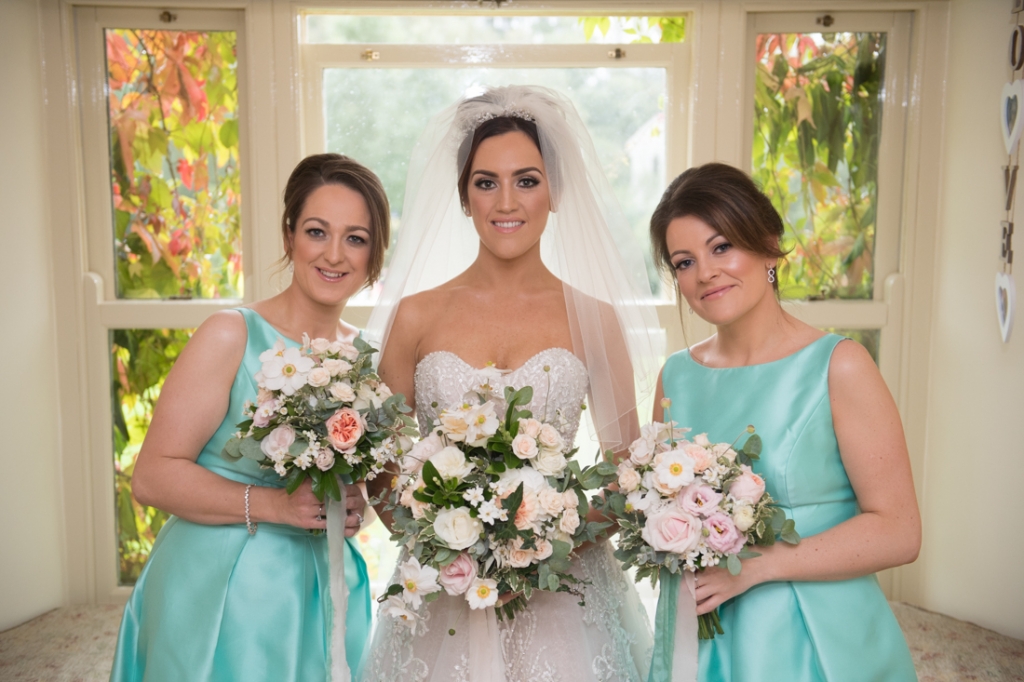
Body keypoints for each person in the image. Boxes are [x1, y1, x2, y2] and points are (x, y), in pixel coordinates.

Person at [360, 85, 660, 682]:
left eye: (526, 180)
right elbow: (381, 470)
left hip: (563, 596)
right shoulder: (415, 315)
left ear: (555, 191)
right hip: (440, 590)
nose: (507, 201)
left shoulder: (594, 317)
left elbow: (628, 475)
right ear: (464, 198)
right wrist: (452, 541)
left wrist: (541, 546)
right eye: (485, 181)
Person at [109, 153, 391, 681]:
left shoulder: (367, 359)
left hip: (325, 588)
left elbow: (365, 490)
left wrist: (354, 507)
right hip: (222, 587)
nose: (335, 254)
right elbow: (151, 477)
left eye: (356, 238)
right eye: (316, 231)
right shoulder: (231, 334)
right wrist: (273, 505)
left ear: (374, 253)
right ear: (289, 236)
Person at [649, 162, 920, 681]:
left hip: (810, 637)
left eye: (722, 246)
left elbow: (900, 531)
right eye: (684, 261)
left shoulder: (839, 364)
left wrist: (759, 565)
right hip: (701, 634)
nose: (705, 272)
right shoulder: (676, 376)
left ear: (769, 244)